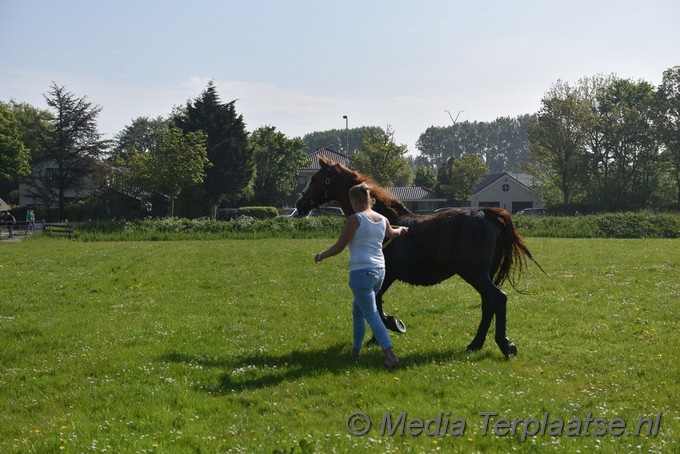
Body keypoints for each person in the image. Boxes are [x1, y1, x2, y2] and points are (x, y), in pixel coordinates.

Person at [314, 182, 408, 368]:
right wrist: (402, 230)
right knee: (358, 312)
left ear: (355, 201)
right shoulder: (382, 219)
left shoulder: (355, 219)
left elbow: (339, 247)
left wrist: (321, 255)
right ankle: (355, 352)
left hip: (361, 273)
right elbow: (392, 233)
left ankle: (390, 354)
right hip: (379, 272)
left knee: (371, 314)